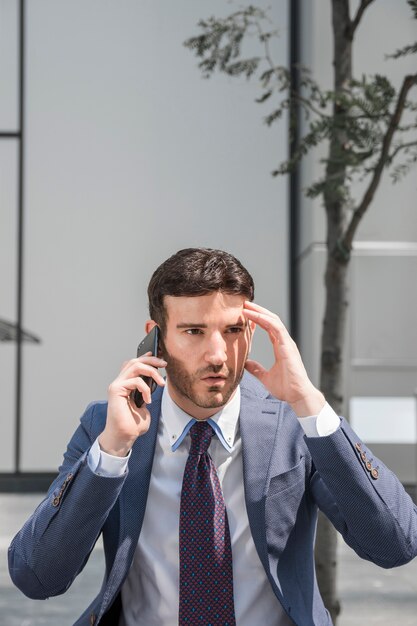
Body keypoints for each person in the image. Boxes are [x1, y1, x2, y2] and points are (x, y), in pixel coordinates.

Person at [8, 247, 417, 626]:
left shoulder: (294, 422)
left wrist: (309, 403)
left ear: (252, 333)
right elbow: (37, 576)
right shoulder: (107, 426)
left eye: (233, 329)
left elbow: (395, 544)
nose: (218, 354)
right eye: (193, 332)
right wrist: (112, 451)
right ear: (156, 337)